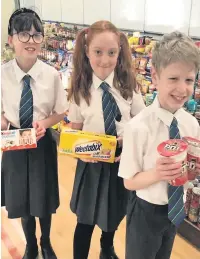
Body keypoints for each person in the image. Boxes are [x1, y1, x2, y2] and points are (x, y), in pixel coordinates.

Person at [118, 31, 200, 259]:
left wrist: (193, 171)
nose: (182, 89)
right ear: (154, 77)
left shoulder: (191, 125)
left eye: (189, 80)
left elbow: (190, 173)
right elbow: (129, 181)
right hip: (145, 210)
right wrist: (158, 172)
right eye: (173, 79)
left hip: (175, 210)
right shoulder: (138, 127)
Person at [67, 21, 145, 259]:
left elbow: (142, 123)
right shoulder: (81, 90)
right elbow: (73, 133)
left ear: (120, 51)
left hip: (120, 164)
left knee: (113, 214)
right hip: (90, 167)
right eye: (97, 52)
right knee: (85, 221)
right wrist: (79, 150)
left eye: (111, 53)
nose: (104, 60)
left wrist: (128, 137)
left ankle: (107, 246)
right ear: (87, 51)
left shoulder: (129, 87)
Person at [1, 8, 68, 259]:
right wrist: (5, 125)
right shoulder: (2, 74)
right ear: (11, 40)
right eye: (24, 35)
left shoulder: (51, 74)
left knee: (43, 198)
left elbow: (61, 112)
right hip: (15, 141)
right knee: (22, 199)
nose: (31, 41)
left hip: (42, 142)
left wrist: (44, 123)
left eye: (36, 35)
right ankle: (30, 243)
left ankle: (46, 242)